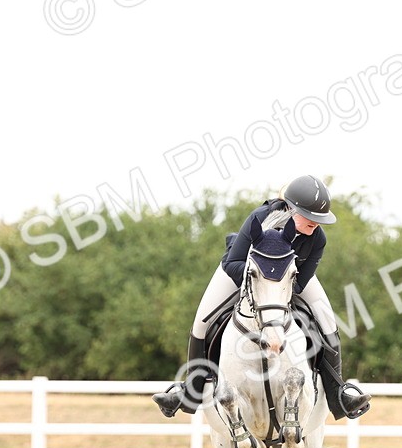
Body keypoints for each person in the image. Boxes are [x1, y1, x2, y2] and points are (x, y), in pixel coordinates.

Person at [152, 174, 372, 420]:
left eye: (319, 220)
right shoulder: (260, 218)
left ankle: (338, 394)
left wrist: (276, 286)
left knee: (328, 322)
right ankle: (190, 391)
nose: (316, 225)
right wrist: (258, 277)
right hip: (242, 271)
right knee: (201, 322)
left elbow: (300, 282)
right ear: (291, 210)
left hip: (288, 279)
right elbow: (234, 262)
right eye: (310, 218)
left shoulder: (317, 239)